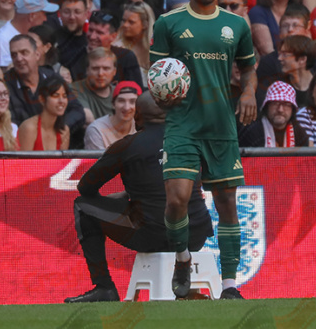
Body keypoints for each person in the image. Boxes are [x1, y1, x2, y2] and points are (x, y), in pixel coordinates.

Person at [151, 0, 257, 300]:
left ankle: (229, 285)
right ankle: (183, 258)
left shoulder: (236, 25)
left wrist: (249, 93)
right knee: (176, 200)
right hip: (182, 124)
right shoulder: (169, 23)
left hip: (221, 125)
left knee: (227, 202)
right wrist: (162, 96)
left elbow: (249, 68)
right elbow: (157, 74)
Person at [65, 91, 211, 303]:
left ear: (137, 116)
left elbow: (85, 188)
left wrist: (125, 199)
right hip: (196, 235)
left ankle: (104, 286)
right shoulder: (191, 141)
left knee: (82, 206)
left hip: (152, 235)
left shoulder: (127, 146)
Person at [239, 80, 310, 148]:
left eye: (286, 104)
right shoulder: (252, 131)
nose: (280, 110)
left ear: (292, 109)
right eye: (275, 103)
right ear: (267, 106)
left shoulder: (299, 134)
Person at [17, 73, 71, 150]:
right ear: (42, 99)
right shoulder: (29, 128)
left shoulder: (64, 131)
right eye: (55, 95)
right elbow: (21, 158)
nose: (61, 101)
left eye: (64, 96)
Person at [84, 79, 140, 149]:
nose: (126, 107)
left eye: (132, 101)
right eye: (121, 101)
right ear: (113, 104)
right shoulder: (97, 130)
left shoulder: (143, 127)